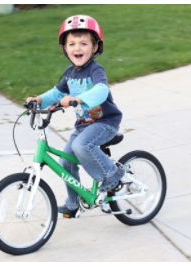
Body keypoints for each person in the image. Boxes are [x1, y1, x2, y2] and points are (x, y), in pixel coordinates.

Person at [24, 15, 124, 218]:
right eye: (72, 43)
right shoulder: (69, 73)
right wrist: (38, 100)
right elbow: (56, 93)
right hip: (83, 126)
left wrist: (77, 99)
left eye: (84, 43)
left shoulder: (95, 70)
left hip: (105, 122)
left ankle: (113, 173)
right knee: (67, 161)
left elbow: (101, 91)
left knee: (81, 147)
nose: (77, 48)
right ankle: (73, 203)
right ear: (65, 48)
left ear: (95, 48)